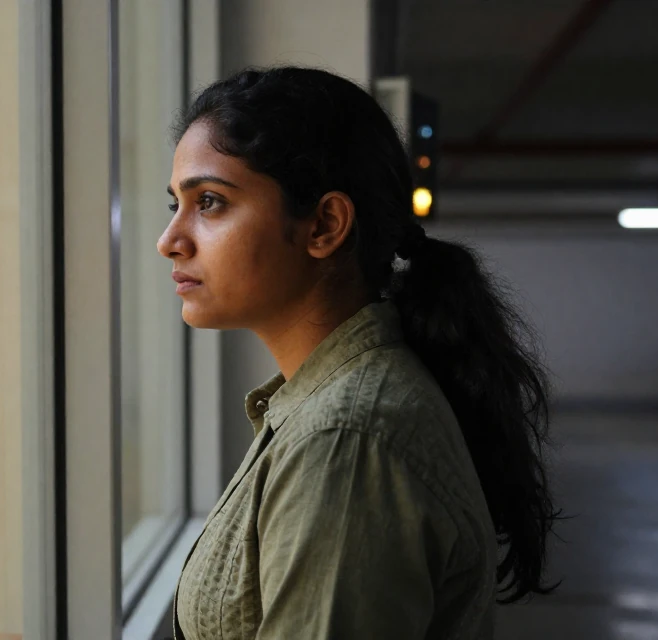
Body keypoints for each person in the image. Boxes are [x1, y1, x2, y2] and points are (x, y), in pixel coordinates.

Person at [159, 67, 558, 639]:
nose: (170, 239)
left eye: (211, 202)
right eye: (174, 203)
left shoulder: (346, 440)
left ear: (324, 224)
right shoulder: (325, 407)